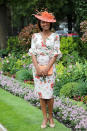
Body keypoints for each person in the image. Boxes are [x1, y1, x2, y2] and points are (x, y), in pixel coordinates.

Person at [29, 10, 62, 128]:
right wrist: (37, 68)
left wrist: (47, 67)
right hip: (37, 70)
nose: (45, 24)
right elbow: (32, 53)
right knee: (41, 95)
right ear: (40, 23)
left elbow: (56, 54)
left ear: (50, 24)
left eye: (47, 22)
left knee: (50, 95)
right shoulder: (35, 36)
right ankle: (44, 118)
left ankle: (51, 117)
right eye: (42, 22)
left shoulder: (55, 37)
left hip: (50, 69)